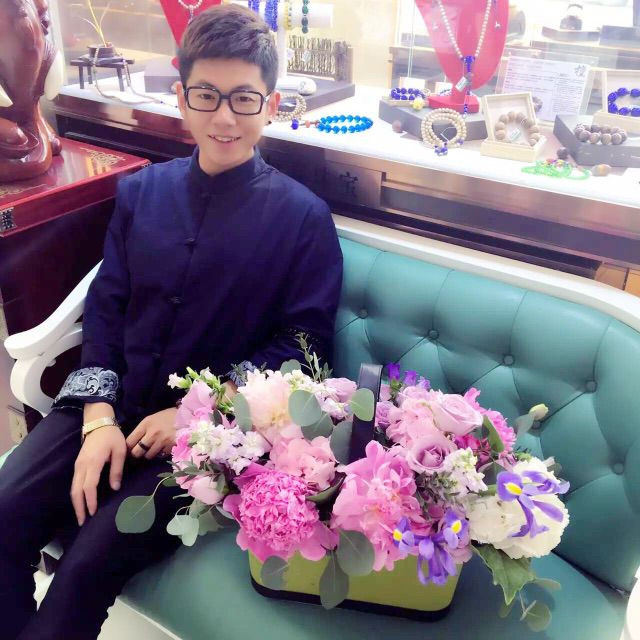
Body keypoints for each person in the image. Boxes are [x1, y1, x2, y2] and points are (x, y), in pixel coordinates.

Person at [0, 5, 343, 638]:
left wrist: (195, 413)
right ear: (182, 98)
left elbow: (305, 349)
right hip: (108, 404)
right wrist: (98, 418)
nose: (224, 117)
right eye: (206, 95)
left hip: (211, 442)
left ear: (270, 106)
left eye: (244, 98)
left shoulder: (304, 219)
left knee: (83, 568)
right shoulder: (141, 193)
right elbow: (108, 308)